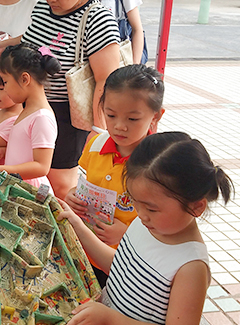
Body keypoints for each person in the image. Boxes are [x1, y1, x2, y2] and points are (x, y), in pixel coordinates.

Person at [0, 0, 121, 199]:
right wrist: (2, 46)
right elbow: (31, 39)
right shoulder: (44, 8)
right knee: (33, 174)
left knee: (59, 183)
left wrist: (97, 132)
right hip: (33, 104)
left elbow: (106, 81)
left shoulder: (98, 19)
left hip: (68, 116)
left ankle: (67, 231)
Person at [59, 131, 233, 325]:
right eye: (134, 202)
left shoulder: (191, 267)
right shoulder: (148, 224)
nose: (140, 214)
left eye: (151, 208)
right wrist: (77, 226)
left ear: (196, 207)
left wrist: (111, 319)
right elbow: (121, 268)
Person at [63, 65, 165, 286]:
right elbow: (85, 185)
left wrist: (128, 234)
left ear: (156, 116)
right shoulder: (95, 144)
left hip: (127, 262)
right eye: (111, 115)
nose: (120, 126)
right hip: (85, 251)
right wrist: (73, 195)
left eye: (133, 119)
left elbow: (168, 224)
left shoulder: (158, 165)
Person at [0, 44, 60, 191]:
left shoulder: (42, 118)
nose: (4, 88)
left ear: (25, 79)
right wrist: (4, 151)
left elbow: (41, 166)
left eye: (5, 82)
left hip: (30, 190)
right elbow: (27, 148)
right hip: (19, 185)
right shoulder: (28, 109)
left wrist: (3, 170)